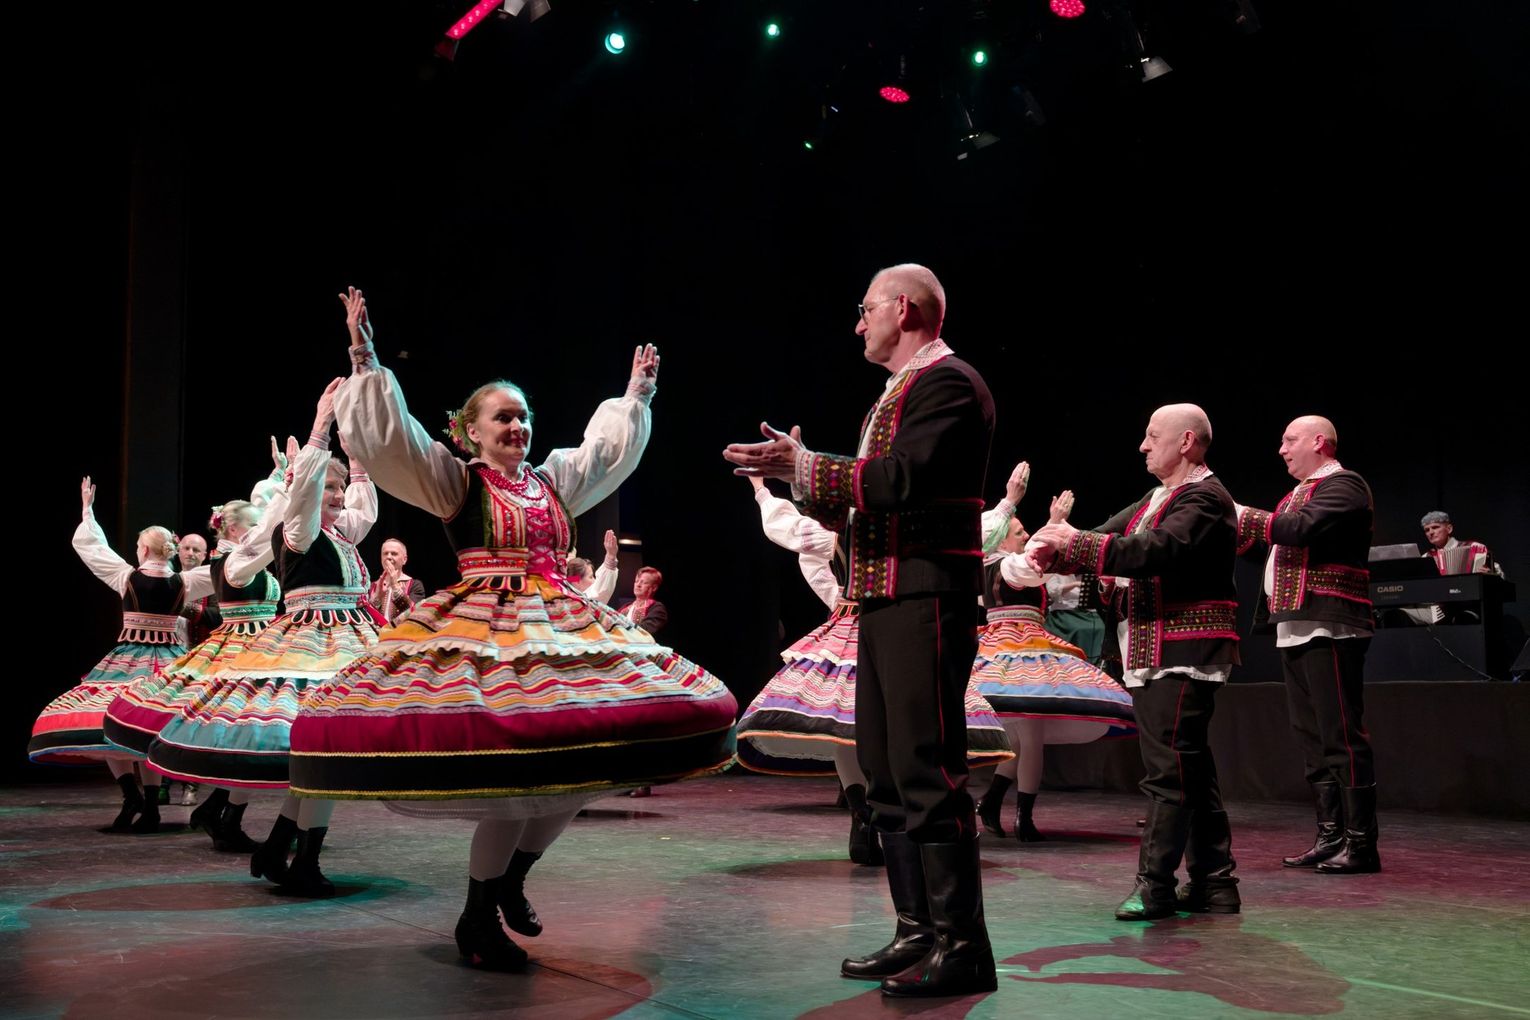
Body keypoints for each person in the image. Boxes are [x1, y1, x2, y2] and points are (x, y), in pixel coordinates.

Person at [288, 287, 736, 970]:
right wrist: (365, 359)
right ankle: (476, 915)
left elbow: (601, 455)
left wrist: (636, 396)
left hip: (559, 627)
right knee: (515, 779)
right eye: (503, 417)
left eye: (523, 416)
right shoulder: (456, 482)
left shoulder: (551, 482)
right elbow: (398, 441)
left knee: (578, 771)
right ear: (471, 431)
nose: (517, 427)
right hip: (488, 634)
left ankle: (512, 880)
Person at [725, 264, 998, 997]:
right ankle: (919, 931)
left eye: (866, 309)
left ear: (902, 309)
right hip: (882, 599)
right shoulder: (898, 392)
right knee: (884, 771)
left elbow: (904, 480)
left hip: (924, 596)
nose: (858, 323)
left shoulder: (948, 382)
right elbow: (873, 498)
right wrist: (801, 478)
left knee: (926, 768)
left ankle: (964, 947)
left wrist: (808, 466)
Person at [148, 380, 381, 897]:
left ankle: (280, 850)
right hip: (315, 647)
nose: (338, 497)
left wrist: (357, 458)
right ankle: (300, 860)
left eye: (341, 489)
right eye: (331, 489)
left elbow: (365, 509)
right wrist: (320, 430)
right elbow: (305, 496)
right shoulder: (299, 532)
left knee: (326, 760)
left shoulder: (340, 532)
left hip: (346, 641)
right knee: (325, 756)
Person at [1030, 403, 1242, 920]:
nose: (1143, 445)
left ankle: (1156, 886)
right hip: (1158, 648)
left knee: (1169, 771)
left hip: (1185, 650)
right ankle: (1215, 882)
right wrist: (1056, 552)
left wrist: (1073, 542)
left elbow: (1154, 550)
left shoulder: (1205, 497)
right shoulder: (1157, 497)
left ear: (1186, 441)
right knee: (1190, 767)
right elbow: (1109, 533)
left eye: (1152, 436)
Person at [735, 474, 1012, 865]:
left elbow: (790, 532)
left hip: (860, 619)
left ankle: (868, 816)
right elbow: (976, 533)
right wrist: (1008, 503)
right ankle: (875, 817)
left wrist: (761, 491)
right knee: (871, 720)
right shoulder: (889, 524)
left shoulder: (844, 529)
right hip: (882, 620)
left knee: (851, 723)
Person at [1236, 415, 1380, 875]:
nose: (1281, 449)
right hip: (1296, 623)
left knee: (1340, 735)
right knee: (1312, 738)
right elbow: (1280, 543)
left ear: (1319, 442)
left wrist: (1242, 515)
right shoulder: (1295, 494)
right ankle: (1330, 835)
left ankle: (1362, 844)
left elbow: (1298, 530)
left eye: (1289, 440)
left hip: (1330, 623)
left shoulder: (1345, 485)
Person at [31, 477, 212, 831]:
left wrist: (87, 511)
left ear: (143, 549)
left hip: (127, 660)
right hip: (170, 660)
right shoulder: (185, 582)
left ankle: (133, 797)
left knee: (111, 722)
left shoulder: (126, 576)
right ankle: (148, 805)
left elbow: (92, 548)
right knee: (151, 727)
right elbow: (230, 570)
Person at [368, 538, 427, 624]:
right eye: (385, 553)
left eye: (394, 553)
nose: (388, 557)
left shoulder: (414, 585)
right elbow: (366, 617)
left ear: (404, 559)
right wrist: (377, 597)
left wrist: (395, 585)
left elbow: (414, 614)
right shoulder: (371, 586)